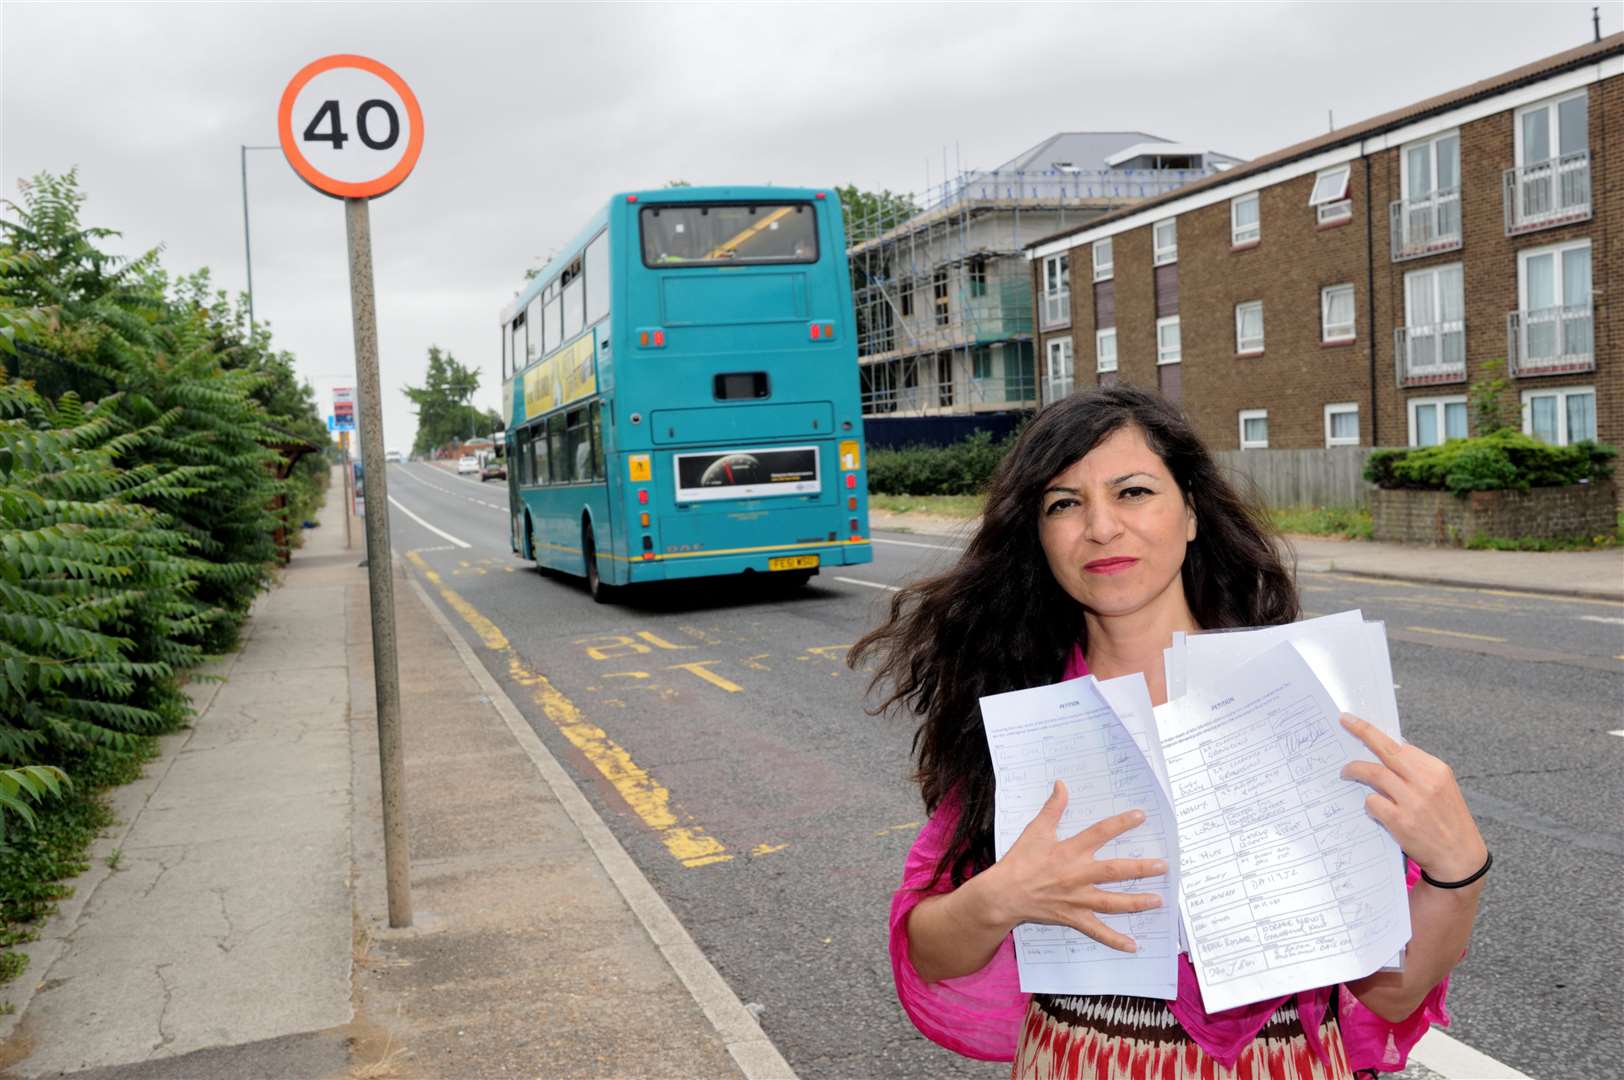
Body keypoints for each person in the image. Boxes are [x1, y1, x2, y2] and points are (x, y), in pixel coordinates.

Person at [849, 386, 1488, 1079]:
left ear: (1189, 511)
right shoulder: (1026, 718)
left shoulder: (1297, 699)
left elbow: (1390, 991)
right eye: (1064, 503)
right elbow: (929, 950)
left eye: (1132, 492)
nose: (1100, 527)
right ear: (1039, 536)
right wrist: (1003, 896)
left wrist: (1459, 871)